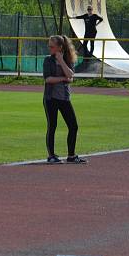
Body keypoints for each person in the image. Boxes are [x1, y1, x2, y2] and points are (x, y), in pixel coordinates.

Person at [43, 35, 86, 164]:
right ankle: (51, 156)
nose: (49, 48)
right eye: (49, 46)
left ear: (60, 47)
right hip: (51, 98)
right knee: (52, 126)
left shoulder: (68, 59)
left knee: (73, 126)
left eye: (52, 46)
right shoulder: (48, 60)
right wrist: (62, 79)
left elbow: (71, 76)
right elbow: (48, 79)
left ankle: (71, 156)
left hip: (64, 98)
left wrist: (61, 60)